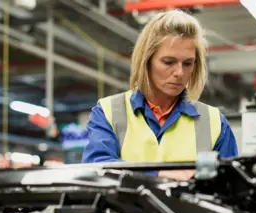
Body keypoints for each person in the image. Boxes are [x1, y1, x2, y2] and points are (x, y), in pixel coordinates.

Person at [82, 10, 238, 181]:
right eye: (168, 62)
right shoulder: (108, 112)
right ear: (146, 60)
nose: (179, 72)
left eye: (187, 63)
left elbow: (231, 187)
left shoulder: (215, 123)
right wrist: (161, 176)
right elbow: (97, 171)